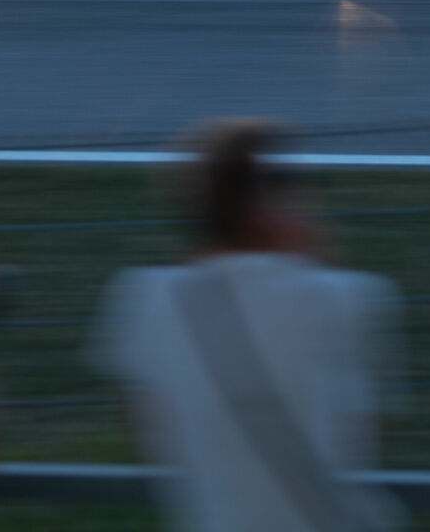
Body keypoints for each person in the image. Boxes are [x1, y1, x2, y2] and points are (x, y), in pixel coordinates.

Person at [93, 119, 403, 532]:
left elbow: (150, 429)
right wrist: (315, 258)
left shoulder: (139, 298)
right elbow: (364, 436)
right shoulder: (351, 297)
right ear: (265, 209)